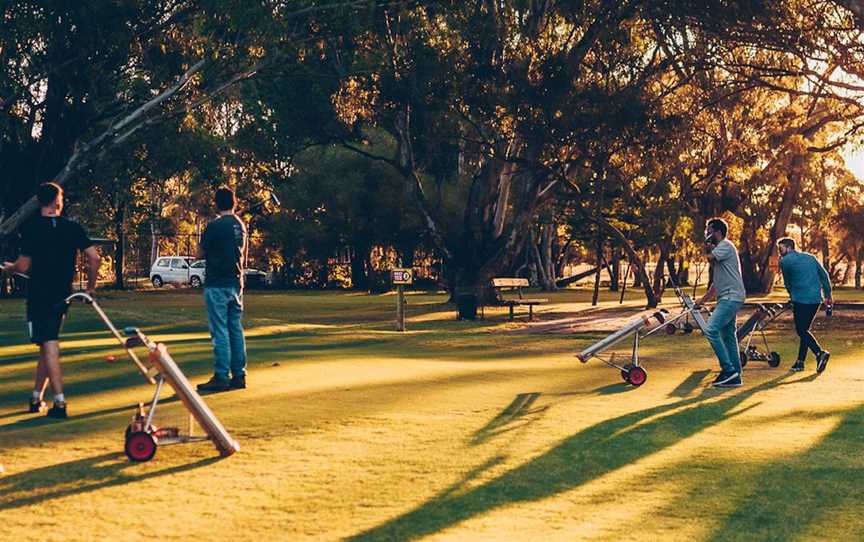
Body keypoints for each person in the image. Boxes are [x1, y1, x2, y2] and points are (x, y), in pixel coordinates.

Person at [1, 182, 100, 418]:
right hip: (62, 294)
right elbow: (94, 258)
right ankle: (36, 397)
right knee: (47, 343)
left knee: (49, 343)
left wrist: (9, 269)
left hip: (38, 295)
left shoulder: (33, 228)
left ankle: (60, 402)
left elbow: (23, 265)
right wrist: (90, 288)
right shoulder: (72, 228)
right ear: (57, 201)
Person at [197, 187, 248, 392]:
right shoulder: (240, 225)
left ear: (216, 203)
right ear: (234, 202)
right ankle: (239, 375)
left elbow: (199, 254)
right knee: (235, 329)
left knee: (220, 331)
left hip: (217, 283)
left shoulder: (214, 226)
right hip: (236, 282)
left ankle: (221, 376)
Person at [697, 217, 747, 388]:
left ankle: (728, 370)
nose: (707, 234)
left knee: (710, 330)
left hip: (731, 297)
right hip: (727, 296)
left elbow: (709, 257)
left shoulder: (725, 245)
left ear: (718, 232)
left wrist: (707, 244)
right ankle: (736, 375)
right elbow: (715, 285)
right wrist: (701, 301)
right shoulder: (721, 252)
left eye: (709, 231)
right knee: (728, 336)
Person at [776, 237, 832, 373]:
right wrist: (828, 296)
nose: (780, 251)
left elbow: (788, 283)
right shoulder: (810, 257)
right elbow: (824, 276)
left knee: (801, 330)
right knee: (805, 330)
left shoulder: (784, 261)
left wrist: (792, 296)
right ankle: (800, 362)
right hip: (815, 300)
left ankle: (820, 353)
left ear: (789, 248)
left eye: (781, 248)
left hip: (801, 300)